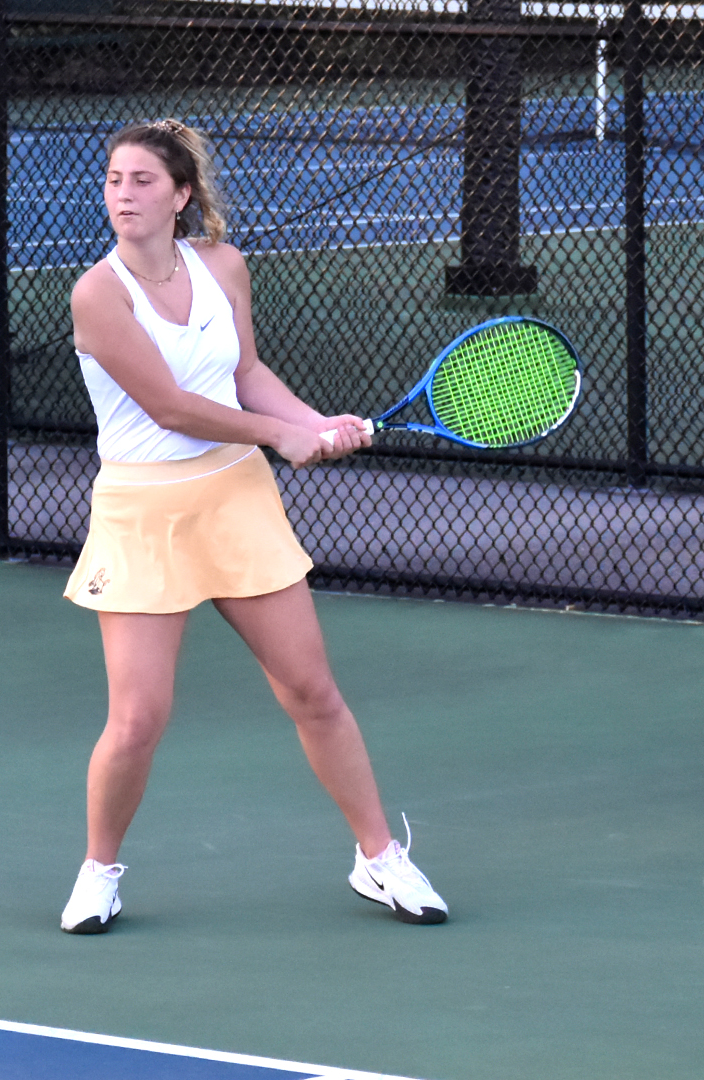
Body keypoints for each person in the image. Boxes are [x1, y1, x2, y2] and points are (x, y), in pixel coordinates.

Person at [57, 118, 447, 934]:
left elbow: (245, 374)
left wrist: (312, 420)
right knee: (137, 719)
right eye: (113, 180)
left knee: (311, 690)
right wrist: (280, 435)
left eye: (141, 181)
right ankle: (99, 871)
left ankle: (379, 859)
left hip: (235, 499)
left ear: (181, 196)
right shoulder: (97, 294)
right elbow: (168, 404)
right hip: (143, 512)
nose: (122, 194)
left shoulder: (224, 267)